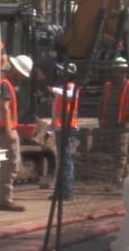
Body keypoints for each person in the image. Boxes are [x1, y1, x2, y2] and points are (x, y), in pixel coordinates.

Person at [97, 56, 129, 185]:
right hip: (110, 124)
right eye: (115, 70)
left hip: (124, 124)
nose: (116, 73)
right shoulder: (108, 86)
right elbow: (101, 104)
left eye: (119, 70)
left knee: (121, 152)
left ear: (124, 71)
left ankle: (116, 180)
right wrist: (101, 120)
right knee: (116, 153)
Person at [0, 54, 33, 212]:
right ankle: (5, 200)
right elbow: (4, 108)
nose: (22, 78)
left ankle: (5, 198)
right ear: (17, 71)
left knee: (10, 164)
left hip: (6, 128)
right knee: (11, 164)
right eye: (21, 74)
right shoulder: (5, 84)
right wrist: (9, 131)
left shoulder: (6, 83)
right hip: (6, 130)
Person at [50, 62, 79, 201]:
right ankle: (61, 190)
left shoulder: (71, 88)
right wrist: (52, 126)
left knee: (66, 160)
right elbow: (56, 110)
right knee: (62, 160)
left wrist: (54, 90)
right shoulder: (62, 88)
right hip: (61, 128)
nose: (59, 74)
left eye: (63, 72)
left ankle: (67, 191)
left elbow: (70, 95)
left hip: (68, 129)